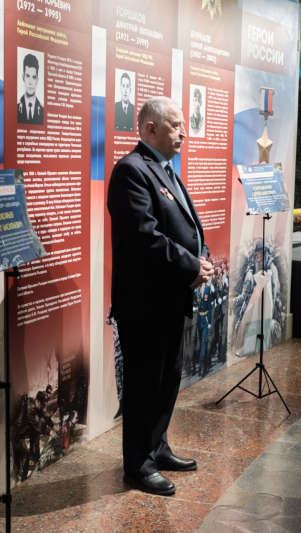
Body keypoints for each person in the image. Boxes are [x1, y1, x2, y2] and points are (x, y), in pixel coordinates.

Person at [107, 96, 213, 496]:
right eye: (175, 126)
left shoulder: (161, 167)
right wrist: (190, 266)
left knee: (167, 381)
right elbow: (144, 238)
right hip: (144, 303)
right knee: (142, 387)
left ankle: (156, 447)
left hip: (170, 298)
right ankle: (137, 465)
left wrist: (197, 258)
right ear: (149, 129)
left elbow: (181, 225)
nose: (184, 133)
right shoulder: (131, 171)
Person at [18, 53, 44, 125]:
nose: (30, 82)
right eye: (27, 76)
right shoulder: (15, 108)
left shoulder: (43, 110)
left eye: (34, 77)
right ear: (23, 78)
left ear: (37, 81)